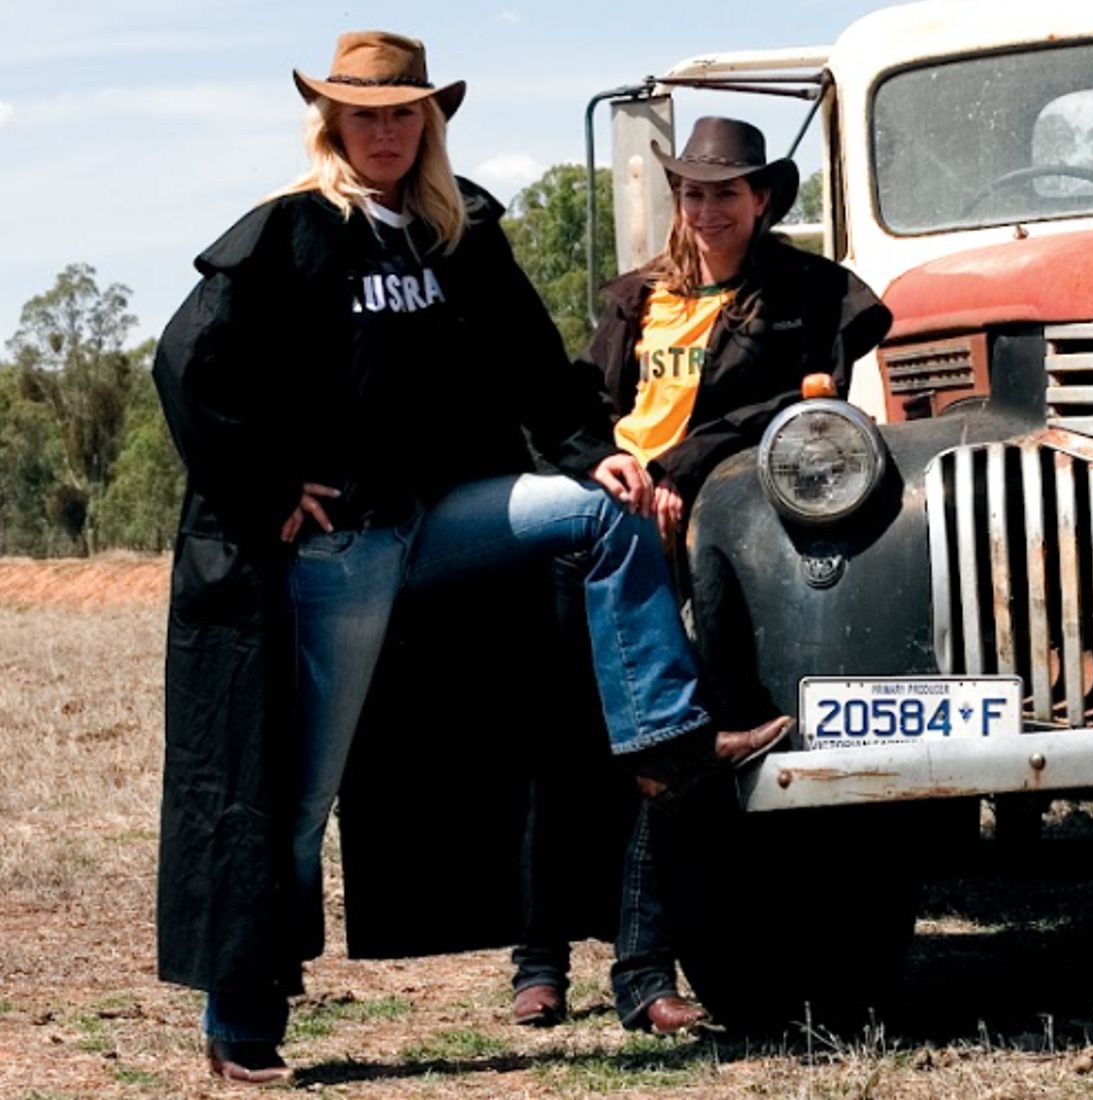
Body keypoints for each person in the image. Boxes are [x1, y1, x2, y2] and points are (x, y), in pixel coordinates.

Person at [153, 36, 790, 1084]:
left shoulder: (456, 233)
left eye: (406, 113)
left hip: (442, 516)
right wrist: (269, 487)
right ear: (334, 123)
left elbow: (537, 370)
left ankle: (662, 735)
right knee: (299, 792)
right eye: (369, 114)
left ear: (429, 123)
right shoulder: (294, 231)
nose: (389, 130)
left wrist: (597, 454)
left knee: (601, 512)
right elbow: (186, 363)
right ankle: (241, 1012)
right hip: (343, 544)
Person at [511, 116, 892, 1033]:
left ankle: (643, 974)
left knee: (666, 744)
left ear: (763, 200)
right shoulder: (638, 300)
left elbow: (800, 410)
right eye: (693, 190)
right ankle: (539, 963)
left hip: (711, 538)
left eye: (728, 191)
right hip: (603, 525)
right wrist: (609, 469)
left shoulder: (809, 296)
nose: (709, 207)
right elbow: (585, 409)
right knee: (566, 737)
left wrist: (683, 466)